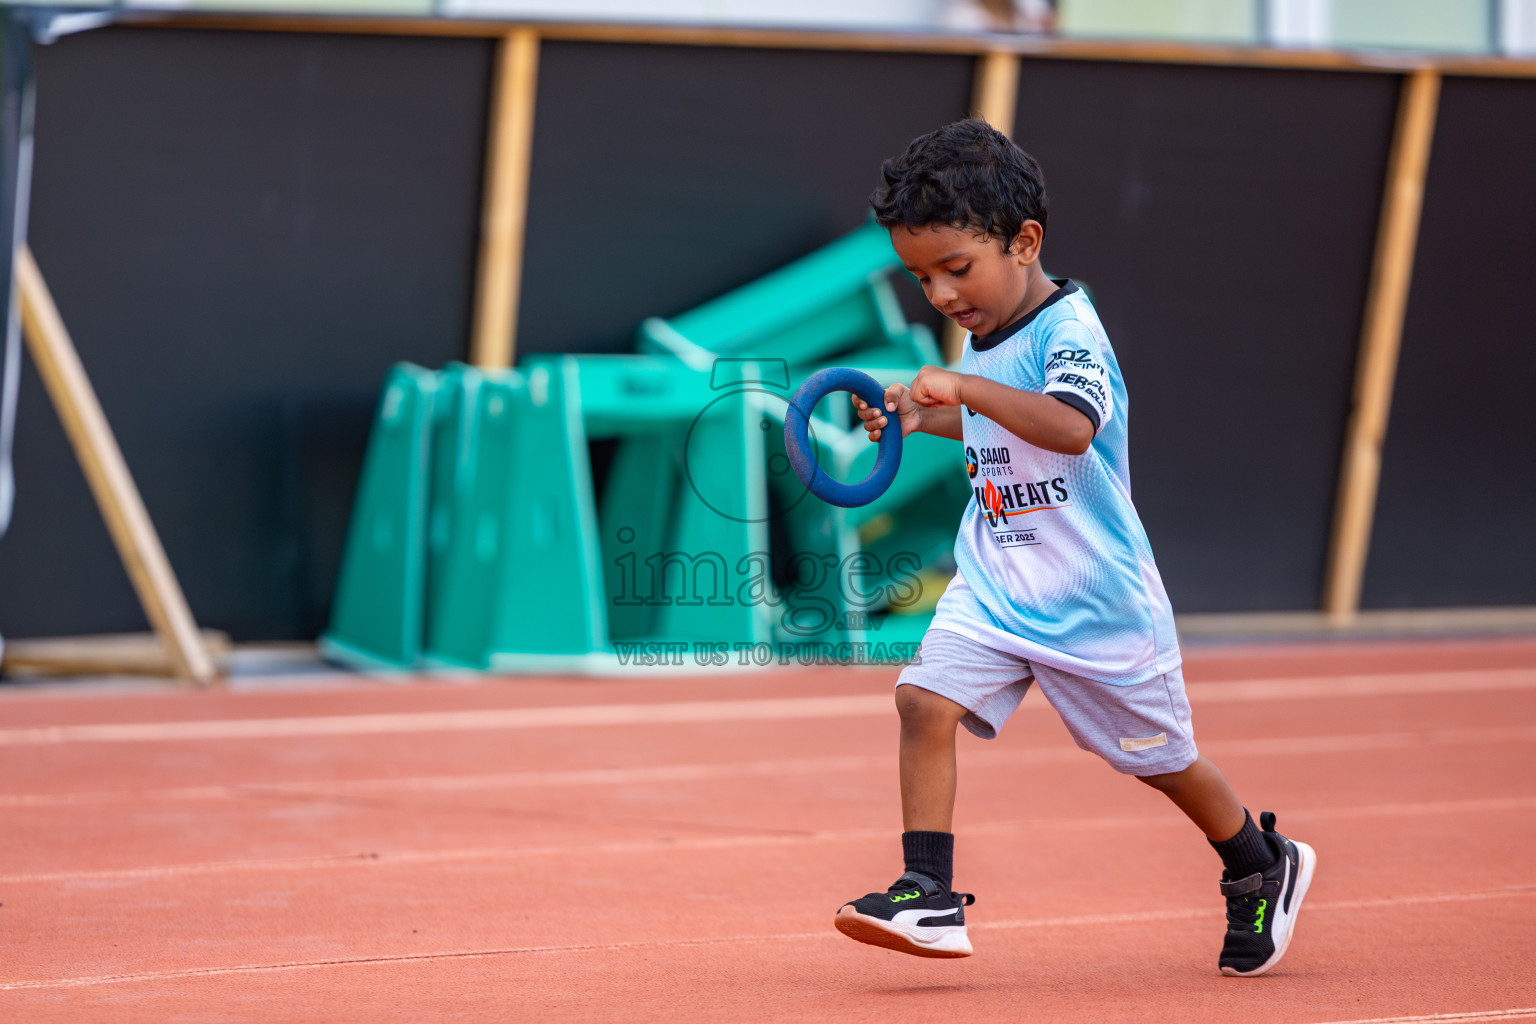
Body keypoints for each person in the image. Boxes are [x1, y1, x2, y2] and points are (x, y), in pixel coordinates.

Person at [835, 119, 1315, 977]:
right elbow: (988, 423)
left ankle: (1256, 861)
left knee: (1163, 763)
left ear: (1025, 243)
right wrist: (923, 414)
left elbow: (1063, 428)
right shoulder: (982, 328)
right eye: (921, 277)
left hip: (1094, 600)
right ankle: (928, 890)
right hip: (996, 577)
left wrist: (965, 385)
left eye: (956, 269)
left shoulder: (1070, 330)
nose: (940, 295)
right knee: (921, 701)